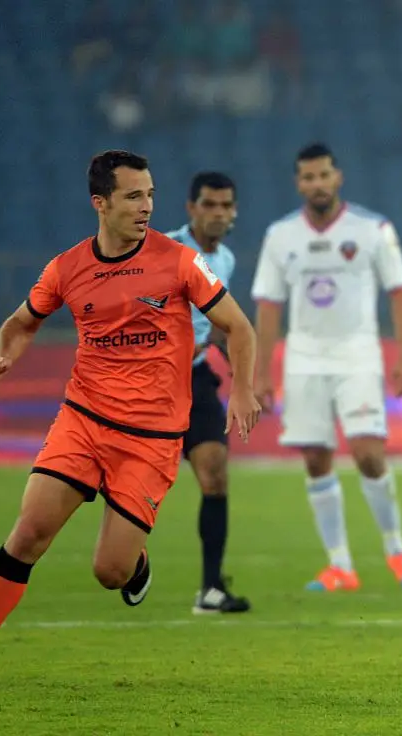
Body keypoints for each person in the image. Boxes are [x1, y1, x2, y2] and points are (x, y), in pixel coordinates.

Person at [0, 151, 261, 685]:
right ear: (100, 203)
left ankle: (137, 564)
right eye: (133, 196)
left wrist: (242, 391)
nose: (146, 206)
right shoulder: (67, 268)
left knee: (110, 572)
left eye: (150, 194)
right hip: (82, 420)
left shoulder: (179, 261)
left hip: (151, 438)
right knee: (31, 530)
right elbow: (21, 322)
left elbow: (239, 328)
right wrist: (5, 355)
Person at [251, 143, 402, 592]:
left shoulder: (372, 229)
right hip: (303, 358)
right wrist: (260, 372)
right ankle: (341, 565)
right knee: (314, 457)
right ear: (299, 183)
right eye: (308, 177)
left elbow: (400, 292)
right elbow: (268, 305)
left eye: (323, 175)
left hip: (357, 355)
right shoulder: (280, 236)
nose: (317, 184)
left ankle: (396, 548)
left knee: (368, 453)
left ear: (337, 177)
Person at [165, 171, 251, 614]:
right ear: (191, 208)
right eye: (209, 205)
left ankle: (211, 589)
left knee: (215, 473)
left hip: (195, 378)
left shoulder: (228, 261)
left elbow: (220, 326)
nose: (218, 213)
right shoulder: (164, 252)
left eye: (225, 205)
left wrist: (243, 380)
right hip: (149, 381)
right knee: (132, 486)